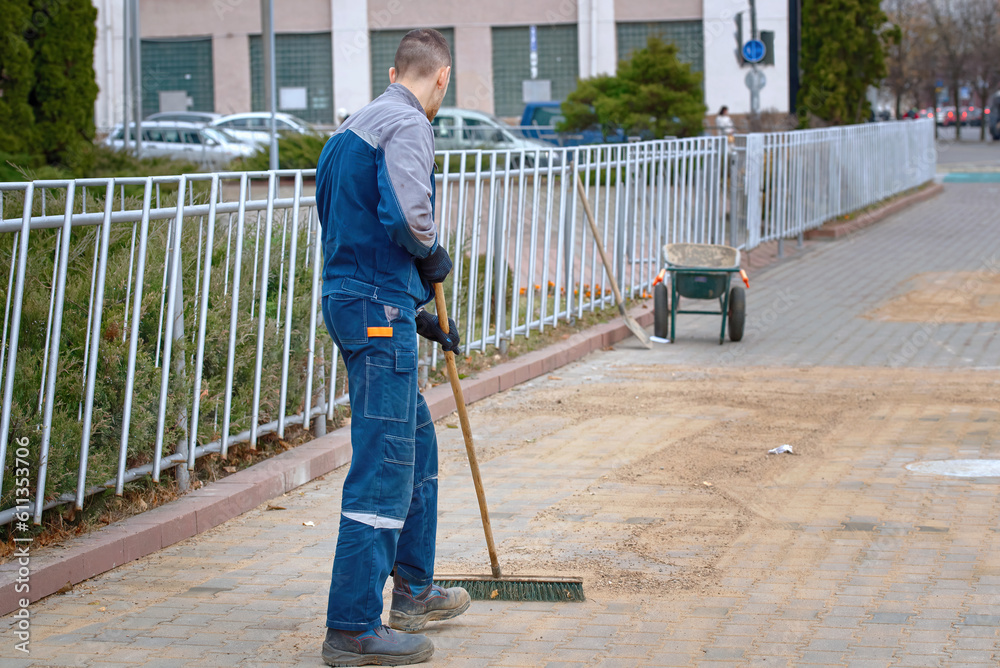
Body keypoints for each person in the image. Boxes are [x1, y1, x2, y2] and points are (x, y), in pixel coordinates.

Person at [315, 29, 471, 667]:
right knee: (384, 463)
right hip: (375, 311)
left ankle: (413, 589)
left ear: (393, 69)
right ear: (442, 77)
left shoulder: (355, 125)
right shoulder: (408, 124)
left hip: (368, 302)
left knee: (416, 442)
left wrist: (416, 312)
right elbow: (408, 216)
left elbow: (352, 225)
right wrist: (431, 257)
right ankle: (351, 627)